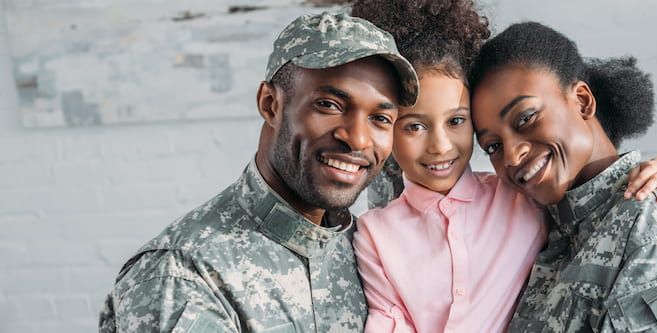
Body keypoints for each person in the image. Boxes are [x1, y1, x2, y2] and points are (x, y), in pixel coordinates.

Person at [349, 2, 657, 332]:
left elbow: (589, 193)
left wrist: (656, 168)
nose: (439, 145)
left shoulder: (522, 201)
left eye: (455, 121)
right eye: (414, 126)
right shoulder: (374, 234)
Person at [98, 12, 419, 332]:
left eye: (380, 119)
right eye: (329, 105)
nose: (358, 139)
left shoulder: (369, 251)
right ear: (270, 104)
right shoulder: (185, 273)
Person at [468, 22, 657, 332]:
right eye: (493, 146)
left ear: (582, 100)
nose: (511, 155)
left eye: (525, 118)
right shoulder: (552, 229)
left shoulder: (647, 233)